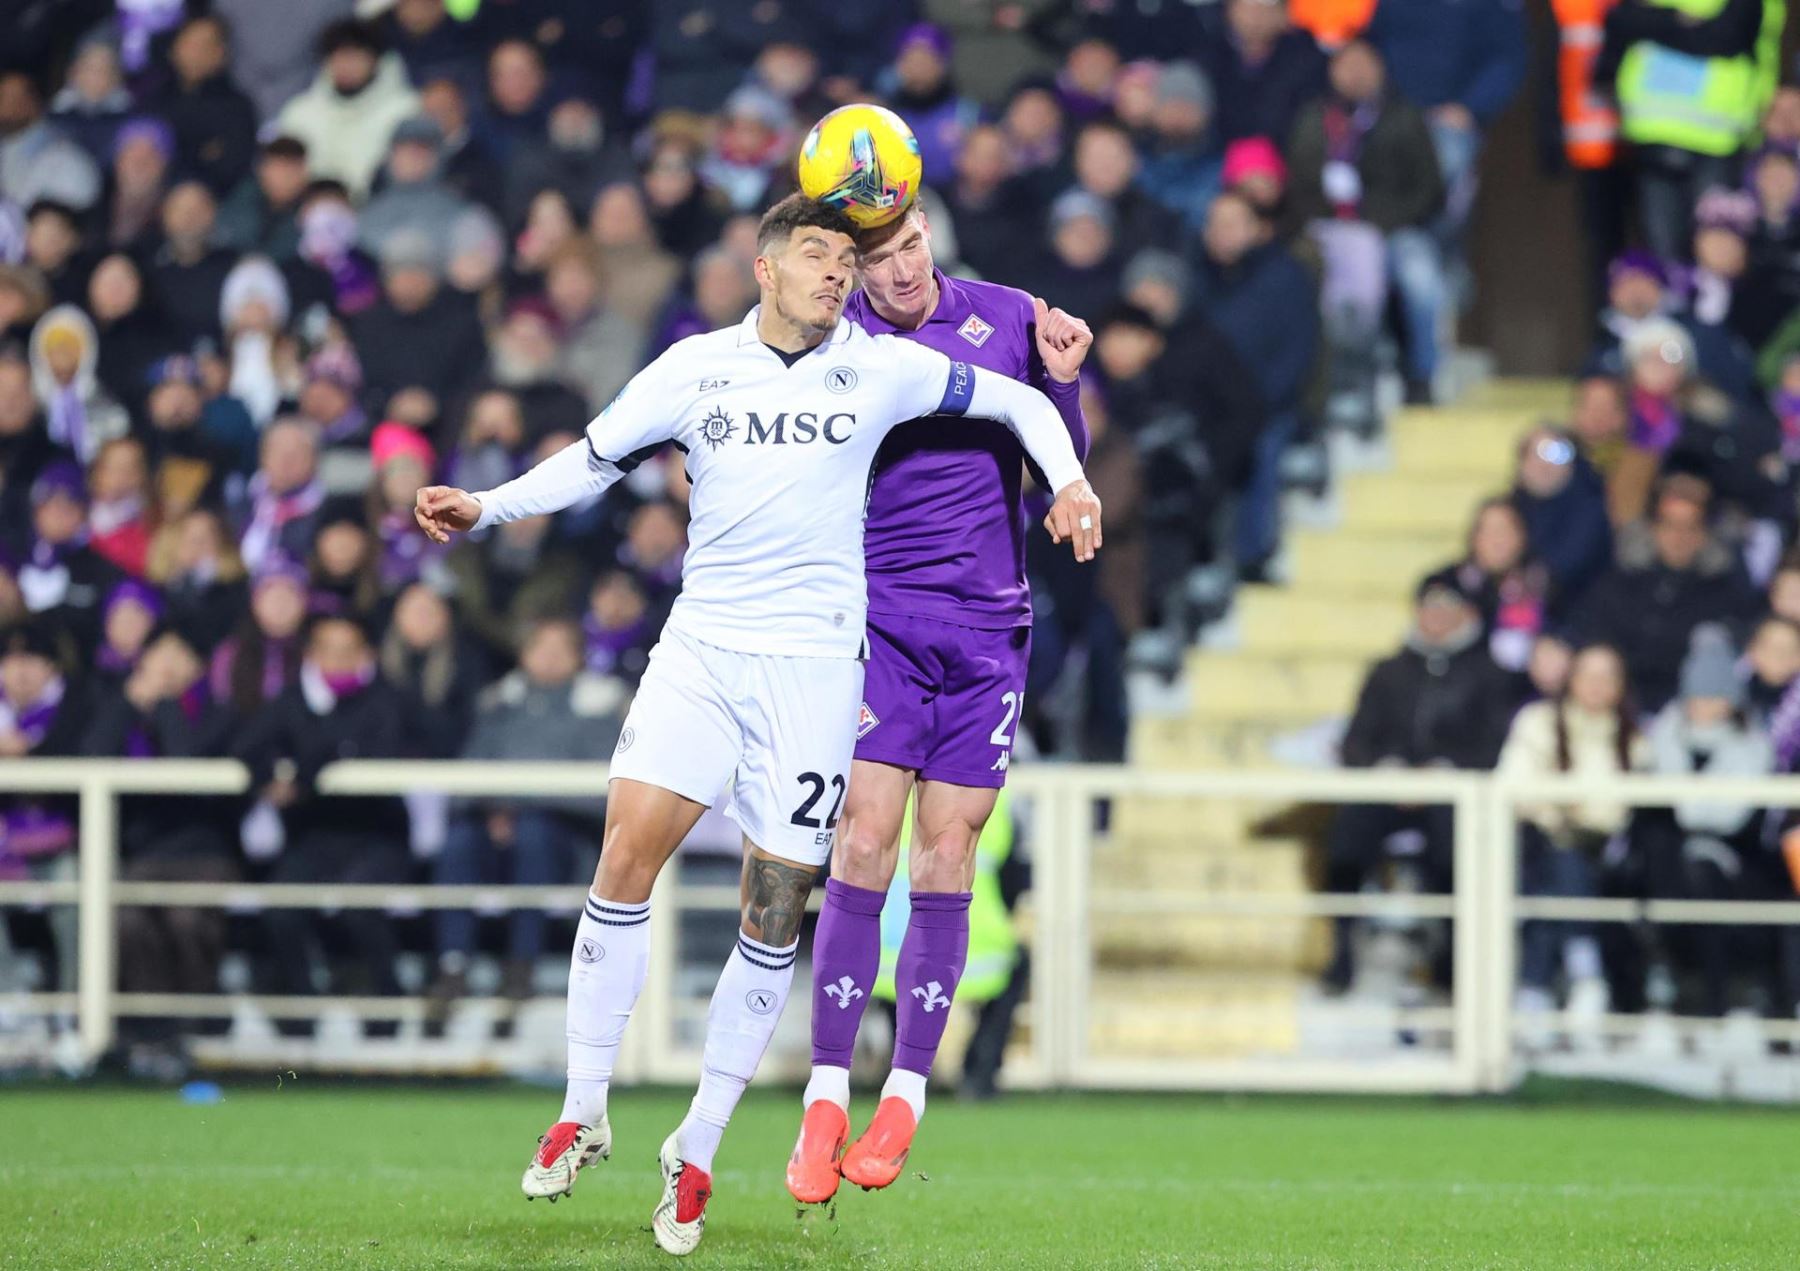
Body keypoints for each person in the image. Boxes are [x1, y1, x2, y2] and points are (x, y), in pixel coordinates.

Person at [412, 194, 1100, 1257]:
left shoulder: (879, 367)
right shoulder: (694, 367)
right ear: (764, 266)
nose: (838, 272)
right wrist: (488, 504)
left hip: (818, 674)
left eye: (847, 257)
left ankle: (697, 1146)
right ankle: (583, 1102)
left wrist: (1068, 480)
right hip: (699, 653)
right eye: (818, 254)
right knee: (624, 853)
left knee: (774, 909)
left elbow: (1023, 407)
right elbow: (593, 459)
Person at [787, 202, 1093, 1205]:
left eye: (910, 245)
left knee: (949, 850)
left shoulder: (1005, 313)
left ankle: (907, 1093)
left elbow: (1055, 449)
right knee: (864, 839)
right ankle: (828, 1088)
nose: (901, 269)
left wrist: (1064, 377)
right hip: (882, 622)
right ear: (855, 271)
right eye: (878, 257)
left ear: (932, 240)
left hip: (990, 633)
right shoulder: (839, 346)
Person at [425, 617, 626, 1037]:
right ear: (524, 653)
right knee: (459, 843)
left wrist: (515, 807)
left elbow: (602, 788)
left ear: (579, 656)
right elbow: (468, 772)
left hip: (566, 836)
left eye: (561, 647)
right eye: (541, 646)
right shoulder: (498, 703)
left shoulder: (602, 707)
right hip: (491, 825)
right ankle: (451, 965)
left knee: (534, 836)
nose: (550, 657)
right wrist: (496, 810)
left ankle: (522, 966)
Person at [1320, 579, 1514, 992]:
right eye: (1430, 607)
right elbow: (1356, 741)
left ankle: (1453, 958)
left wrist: (1442, 773)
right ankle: (1341, 949)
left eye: (1448, 608)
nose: (1438, 617)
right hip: (1390, 787)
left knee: (1456, 845)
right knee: (1347, 835)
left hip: (1455, 795)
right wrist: (1389, 771)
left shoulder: (1488, 675)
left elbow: (1494, 747)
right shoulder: (1388, 672)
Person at [1498, 642, 1646, 1038]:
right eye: (1588, 675)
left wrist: (1572, 807)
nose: (1597, 686)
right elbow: (1514, 789)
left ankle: (1534, 992)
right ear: (1570, 679)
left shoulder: (1634, 734)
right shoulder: (1538, 720)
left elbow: (1619, 811)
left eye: (1608, 677)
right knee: (1563, 861)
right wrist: (1565, 811)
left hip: (1612, 853)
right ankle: (1585, 972)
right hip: (1541, 843)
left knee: (1563, 876)